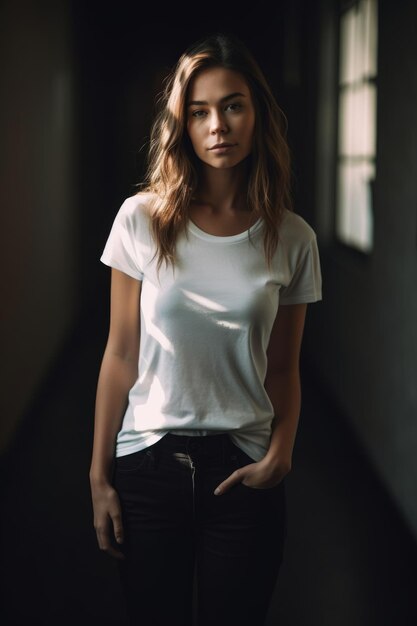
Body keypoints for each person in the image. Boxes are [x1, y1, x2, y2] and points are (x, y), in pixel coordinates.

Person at [89, 31, 322, 626]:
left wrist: (282, 456)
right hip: (147, 464)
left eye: (233, 105)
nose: (218, 125)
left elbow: (284, 368)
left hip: (244, 472)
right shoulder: (141, 220)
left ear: (257, 114)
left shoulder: (292, 238)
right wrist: (99, 475)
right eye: (199, 112)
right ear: (183, 126)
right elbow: (120, 354)